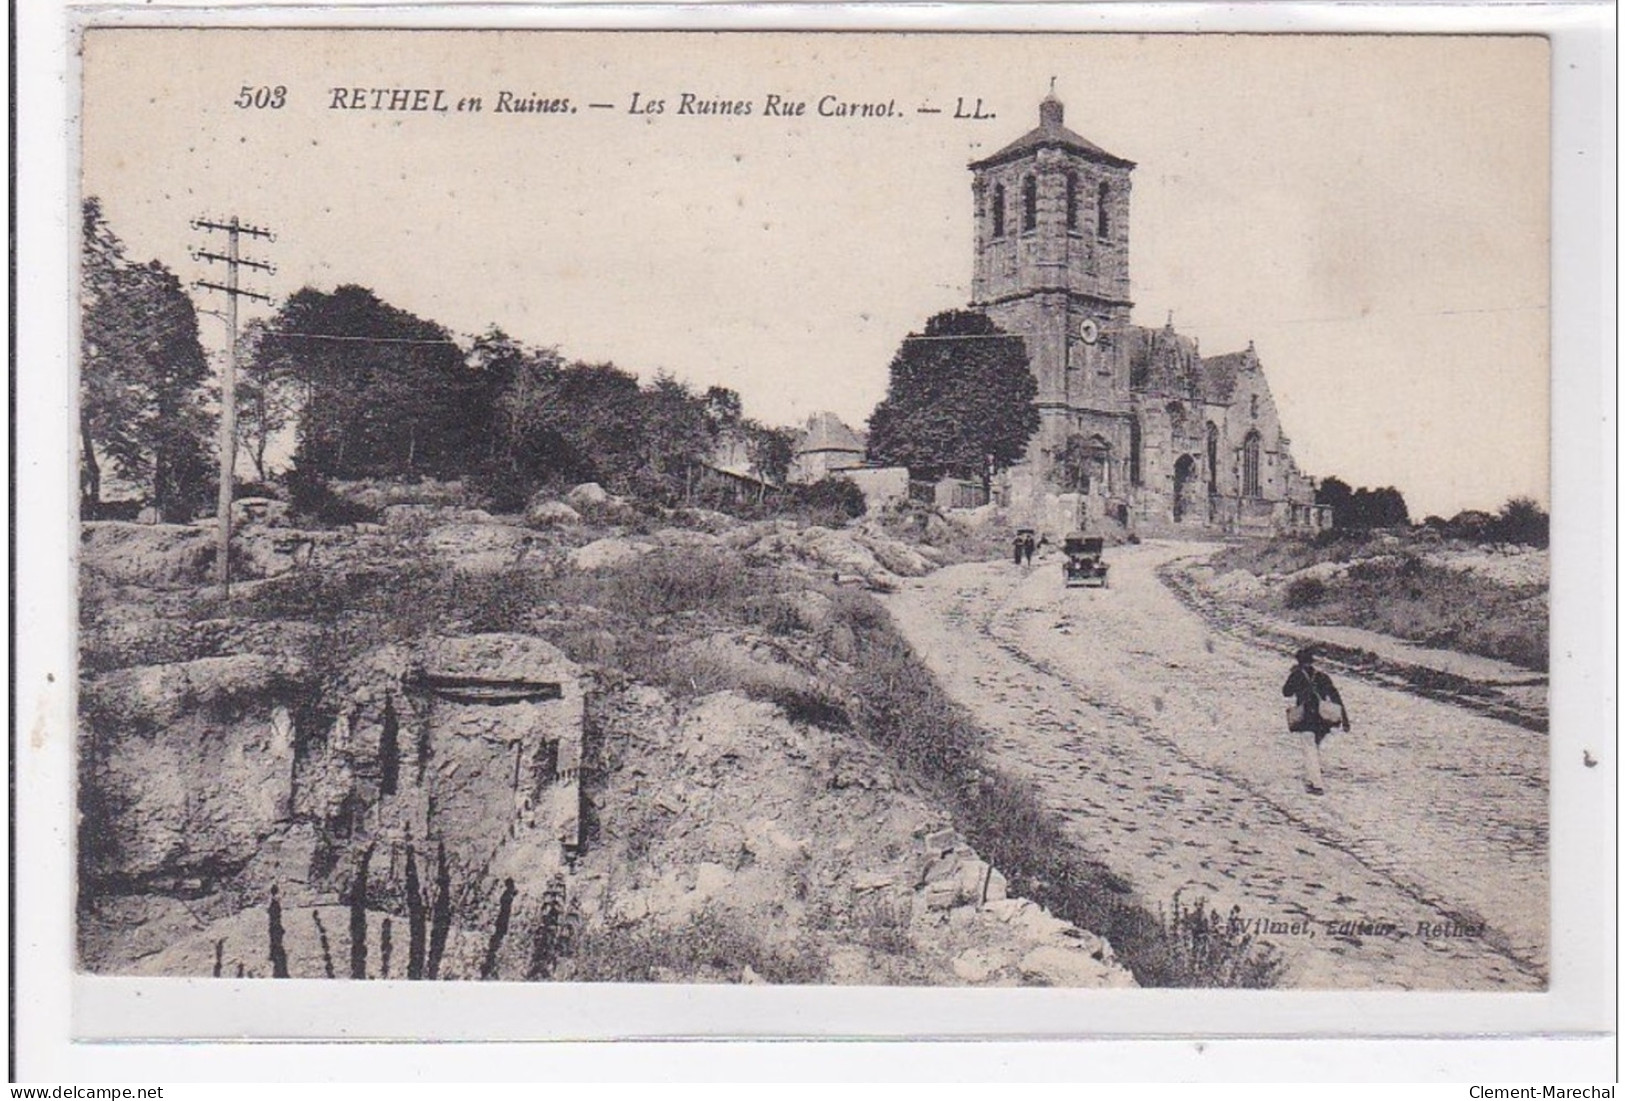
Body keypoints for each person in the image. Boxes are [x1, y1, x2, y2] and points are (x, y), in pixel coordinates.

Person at [1282, 646, 1350, 795]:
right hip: (1322, 720)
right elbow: (1335, 697)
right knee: (1314, 746)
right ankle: (1314, 773)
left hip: (1306, 718)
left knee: (1309, 749)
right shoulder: (1322, 676)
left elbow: (1286, 692)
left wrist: (1293, 675)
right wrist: (1345, 719)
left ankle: (1316, 783)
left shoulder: (1297, 675)